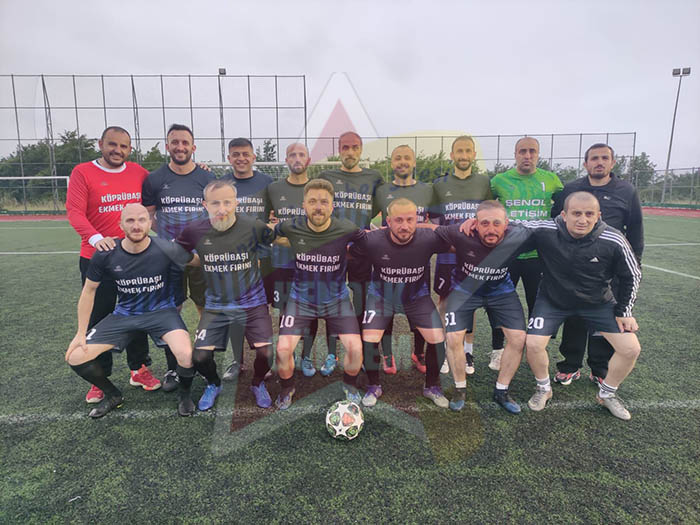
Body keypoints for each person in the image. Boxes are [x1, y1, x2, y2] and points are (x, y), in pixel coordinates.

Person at [65, 204, 197, 418]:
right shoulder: (106, 253)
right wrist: (80, 333)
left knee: (186, 355)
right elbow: (88, 291)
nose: (136, 226)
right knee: (75, 356)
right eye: (130, 220)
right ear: (121, 224)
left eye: (142, 220)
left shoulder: (166, 248)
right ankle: (113, 395)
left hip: (162, 312)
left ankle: (185, 395)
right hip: (125, 314)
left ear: (150, 223)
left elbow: (198, 262)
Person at [522, 191, 642, 420]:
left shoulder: (613, 238)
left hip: (597, 303)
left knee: (630, 349)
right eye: (576, 213)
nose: (582, 220)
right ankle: (543, 388)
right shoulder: (546, 229)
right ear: (564, 215)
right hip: (553, 300)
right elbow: (511, 225)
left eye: (589, 214)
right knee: (534, 343)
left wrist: (625, 312)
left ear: (598, 216)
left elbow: (633, 275)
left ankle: (607, 394)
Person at [65, 126, 159, 406]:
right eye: (112, 144)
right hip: (97, 257)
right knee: (100, 316)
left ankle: (138, 369)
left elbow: (164, 186)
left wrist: (200, 168)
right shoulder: (82, 172)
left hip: (133, 258)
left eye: (123, 146)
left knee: (138, 312)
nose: (118, 150)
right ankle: (100, 376)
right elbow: (74, 212)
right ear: (101, 144)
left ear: (130, 149)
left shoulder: (139, 173)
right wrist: (96, 239)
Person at [177, 180, 276, 410]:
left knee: (266, 353)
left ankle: (258, 383)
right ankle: (214, 384)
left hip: (253, 303)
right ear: (205, 205)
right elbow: (179, 251)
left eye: (227, 202)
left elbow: (272, 241)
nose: (222, 209)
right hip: (216, 305)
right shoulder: (194, 230)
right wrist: (200, 261)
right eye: (215, 203)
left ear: (236, 203)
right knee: (200, 357)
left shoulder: (253, 226)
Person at [551, 143, 644, 387]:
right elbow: (555, 221)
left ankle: (599, 368)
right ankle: (570, 365)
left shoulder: (626, 191)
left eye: (604, 158)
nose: (599, 162)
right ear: (585, 164)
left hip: (610, 267)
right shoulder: (571, 189)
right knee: (575, 316)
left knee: (606, 317)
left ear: (613, 163)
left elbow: (635, 230)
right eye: (594, 158)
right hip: (574, 266)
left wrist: (634, 263)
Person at [273, 179, 364, 409]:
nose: (318, 207)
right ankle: (287, 388)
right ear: (304, 205)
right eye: (312, 201)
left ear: (332, 206)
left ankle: (350, 385)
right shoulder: (290, 226)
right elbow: (268, 233)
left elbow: (370, 242)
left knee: (355, 348)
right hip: (301, 300)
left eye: (324, 202)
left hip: (337, 300)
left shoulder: (347, 229)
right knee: (283, 349)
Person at [350, 198, 451, 408]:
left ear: (417, 220)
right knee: (369, 338)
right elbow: (345, 250)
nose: (404, 226)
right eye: (398, 220)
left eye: (410, 220)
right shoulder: (372, 240)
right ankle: (373, 385)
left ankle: (432, 386)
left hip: (416, 296)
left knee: (437, 338)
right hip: (382, 296)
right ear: (388, 221)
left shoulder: (428, 238)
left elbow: (458, 238)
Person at [434, 201, 532, 413]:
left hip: (501, 291)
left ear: (506, 223)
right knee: (453, 337)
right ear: (475, 224)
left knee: (518, 338)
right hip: (464, 290)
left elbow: (548, 226)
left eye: (497, 223)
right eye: (484, 223)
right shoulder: (461, 233)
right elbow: (430, 229)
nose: (491, 229)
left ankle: (502, 390)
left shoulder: (518, 234)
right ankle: (460, 389)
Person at [142, 123, 214, 391]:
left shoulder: (207, 177)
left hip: (201, 257)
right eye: (175, 142)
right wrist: (167, 242)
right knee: (171, 310)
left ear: (193, 147)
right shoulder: (154, 179)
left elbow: (215, 213)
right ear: (167, 146)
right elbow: (149, 217)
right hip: (168, 259)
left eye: (185, 142)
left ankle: (205, 363)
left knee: (205, 308)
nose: (180, 147)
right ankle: (174, 367)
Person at [489, 137, 563, 372]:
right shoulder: (499, 181)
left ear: (538, 155)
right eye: (522, 151)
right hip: (507, 254)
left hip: (539, 255)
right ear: (515, 154)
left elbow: (565, 207)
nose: (527, 155)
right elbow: (486, 208)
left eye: (532, 151)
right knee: (498, 303)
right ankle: (497, 350)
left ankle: (535, 351)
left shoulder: (551, 180)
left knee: (537, 305)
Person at [319, 132, 384, 375]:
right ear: (339, 149)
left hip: (361, 249)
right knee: (331, 301)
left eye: (354, 147)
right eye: (345, 147)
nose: (350, 152)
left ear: (361, 149)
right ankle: (331, 353)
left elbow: (376, 208)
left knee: (361, 300)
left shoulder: (374, 177)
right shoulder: (326, 177)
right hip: (332, 248)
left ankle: (359, 350)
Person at [430, 135, 492, 375]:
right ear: (452, 155)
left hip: (474, 255)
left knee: (470, 303)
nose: (464, 156)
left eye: (468, 151)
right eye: (459, 151)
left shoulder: (484, 182)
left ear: (474, 155)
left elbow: (488, 216)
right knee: (445, 302)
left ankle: (467, 352)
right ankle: (446, 349)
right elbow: (435, 220)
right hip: (447, 254)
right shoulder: (439, 184)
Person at [374, 145, 433, 373]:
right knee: (386, 309)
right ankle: (388, 355)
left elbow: (436, 222)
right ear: (392, 163)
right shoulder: (382, 191)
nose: (402, 162)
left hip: (418, 262)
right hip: (386, 261)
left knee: (419, 308)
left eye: (407, 158)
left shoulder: (427, 190)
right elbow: (367, 217)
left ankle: (418, 353)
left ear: (414, 162)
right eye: (398, 158)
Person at [221, 137, 274, 380]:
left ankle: (267, 360)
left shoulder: (267, 182)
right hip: (232, 258)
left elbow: (274, 214)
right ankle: (237, 360)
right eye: (236, 154)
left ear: (253, 157)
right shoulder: (222, 184)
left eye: (245, 154)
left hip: (263, 256)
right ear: (229, 158)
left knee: (264, 308)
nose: (241, 158)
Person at [266, 143, 319, 377]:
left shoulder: (317, 188)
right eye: (292, 155)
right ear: (286, 160)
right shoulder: (274, 188)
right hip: (281, 262)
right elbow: (267, 221)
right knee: (284, 311)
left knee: (311, 311)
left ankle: (306, 356)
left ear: (308, 160)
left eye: (301, 155)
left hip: (312, 261)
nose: (297, 158)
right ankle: (290, 354)